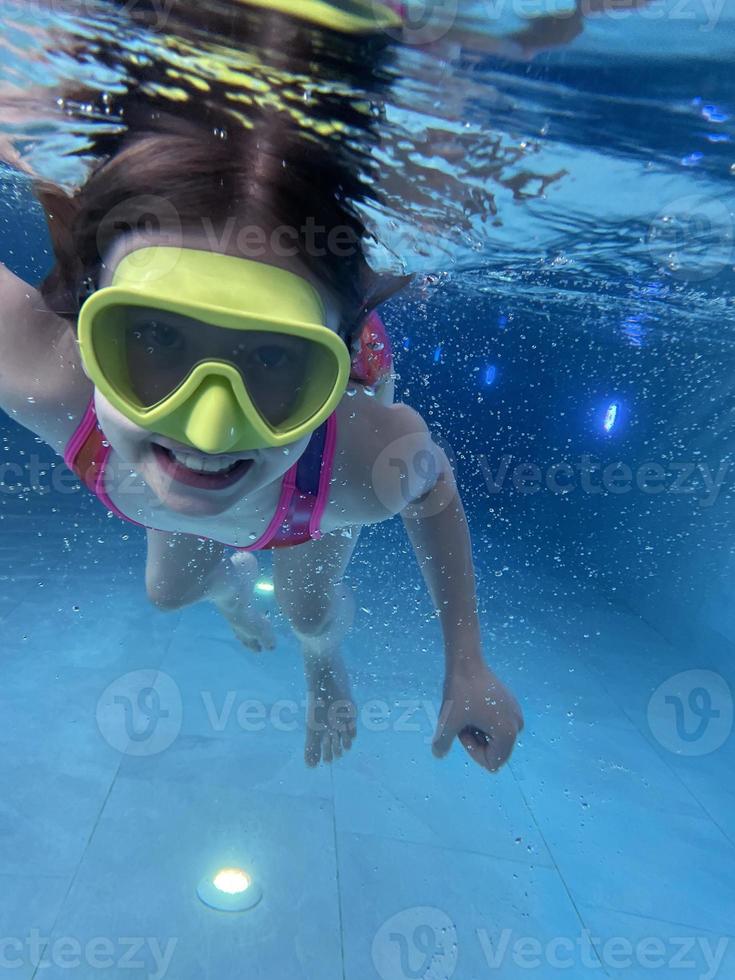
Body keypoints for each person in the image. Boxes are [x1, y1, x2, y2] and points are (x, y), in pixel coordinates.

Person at [0, 1, 524, 771]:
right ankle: (232, 582)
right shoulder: (47, 375)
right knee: (171, 594)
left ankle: (321, 668)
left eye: (276, 362)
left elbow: (430, 483)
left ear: (335, 370)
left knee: (312, 610)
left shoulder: (353, 463)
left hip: (301, 480)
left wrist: (466, 663)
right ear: (86, 327)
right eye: (151, 339)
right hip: (277, 455)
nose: (208, 432)